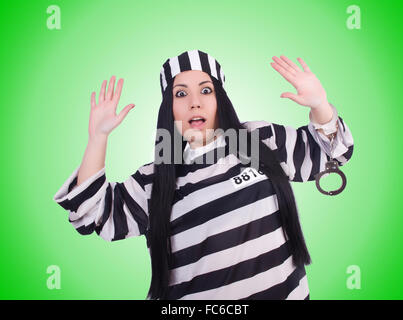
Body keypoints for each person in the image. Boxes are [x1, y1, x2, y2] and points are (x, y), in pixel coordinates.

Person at [53, 49, 354, 300]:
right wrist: (98, 137)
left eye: (206, 90)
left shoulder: (259, 138)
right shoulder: (155, 180)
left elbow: (332, 152)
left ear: (219, 99)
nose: (194, 102)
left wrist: (320, 105)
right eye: (180, 94)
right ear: (168, 110)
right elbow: (91, 214)